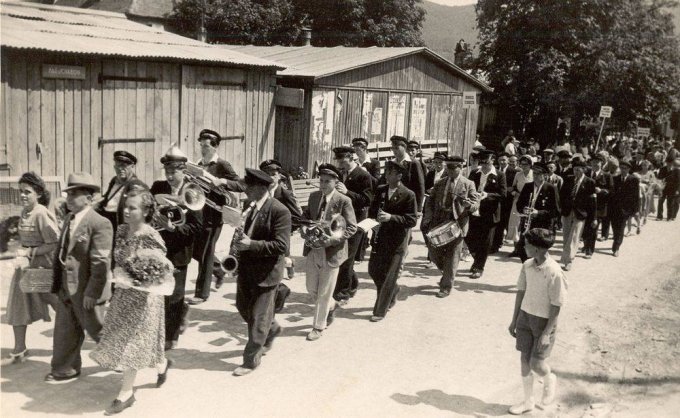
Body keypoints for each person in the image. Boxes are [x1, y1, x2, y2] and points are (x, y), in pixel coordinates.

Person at [90, 189, 175, 414]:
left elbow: (162, 268)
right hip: (123, 295)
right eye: (125, 206)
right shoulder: (121, 231)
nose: (126, 211)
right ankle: (162, 365)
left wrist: (141, 279)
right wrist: (117, 278)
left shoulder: (151, 235)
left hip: (144, 299)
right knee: (126, 339)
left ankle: (126, 394)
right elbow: (116, 260)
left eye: (132, 207)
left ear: (146, 211)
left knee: (132, 344)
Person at [47, 172, 113, 383]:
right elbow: (63, 250)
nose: (69, 199)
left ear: (89, 197)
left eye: (74, 195)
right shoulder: (69, 218)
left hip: (86, 289)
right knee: (65, 329)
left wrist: (93, 293)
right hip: (67, 286)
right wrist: (57, 283)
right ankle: (65, 369)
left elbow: (100, 261)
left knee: (97, 328)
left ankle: (120, 357)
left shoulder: (99, 223)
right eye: (68, 194)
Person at [231, 169, 292, 376]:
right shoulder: (250, 206)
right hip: (247, 269)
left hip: (267, 272)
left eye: (248, 187)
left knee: (257, 318)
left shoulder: (280, 211)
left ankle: (250, 361)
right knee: (243, 307)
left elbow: (281, 245)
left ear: (261, 188)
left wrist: (251, 245)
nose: (245, 190)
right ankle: (272, 328)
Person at [1, 172, 59, 366]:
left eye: (27, 192)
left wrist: (30, 252)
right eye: (21, 192)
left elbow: (54, 242)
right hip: (25, 267)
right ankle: (19, 350)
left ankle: (77, 342)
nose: (23, 195)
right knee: (17, 304)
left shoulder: (41, 213)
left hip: (42, 269)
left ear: (39, 194)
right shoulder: (25, 212)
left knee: (61, 306)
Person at [508, 228, 567, 415]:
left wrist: (547, 333)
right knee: (524, 359)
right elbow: (521, 292)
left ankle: (549, 379)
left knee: (536, 363)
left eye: (527, 244)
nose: (523, 246)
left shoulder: (554, 271)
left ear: (538, 249)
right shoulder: (526, 265)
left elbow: (557, 304)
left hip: (544, 322)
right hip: (525, 317)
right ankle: (528, 401)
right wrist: (514, 319)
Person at [150, 146, 203, 350]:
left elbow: (197, 227)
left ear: (183, 171)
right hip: (158, 249)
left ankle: (170, 337)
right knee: (158, 293)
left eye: (174, 172)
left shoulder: (192, 192)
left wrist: (172, 228)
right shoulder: (157, 187)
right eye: (167, 172)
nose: (170, 176)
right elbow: (147, 209)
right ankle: (178, 314)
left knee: (174, 295)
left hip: (180, 252)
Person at [302, 164, 357, 341]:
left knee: (324, 292)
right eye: (321, 181)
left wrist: (333, 240)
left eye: (327, 181)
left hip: (332, 252)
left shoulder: (343, 200)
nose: (323, 185)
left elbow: (352, 227)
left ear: (336, 182)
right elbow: (306, 216)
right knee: (311, 288)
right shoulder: (313, 196)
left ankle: (318, 327)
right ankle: (332, 306)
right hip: (313, 248)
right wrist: (303, 227)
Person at [189, 129, 243, 304]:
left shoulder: (222, 165)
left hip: (214, 215)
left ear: (215, 147)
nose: (202, 149)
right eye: (201, 146)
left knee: (205, 252)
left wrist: (223, 182)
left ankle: (201, 294)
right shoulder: (198, 164)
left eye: (206, 146)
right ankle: (218, 271)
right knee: (196, 251)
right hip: (198, 213)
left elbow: (241, 184)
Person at [422, 156, 480, 298]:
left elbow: (475, 203)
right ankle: (447, 273)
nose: (450, 170)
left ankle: (446, 286)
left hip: (457, 224)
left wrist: (469, 206)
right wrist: (428, 217)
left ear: (461, 168)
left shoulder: (468, 183)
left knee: (453, 256)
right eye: (448, 167)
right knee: (434, 251)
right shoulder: (440, 183)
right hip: (439, 221)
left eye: (454, 168)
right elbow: (430, 201)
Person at [367, 161, 417, 321]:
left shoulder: (409, 194)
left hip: (397, 242)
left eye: (390, 173)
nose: (386, 176)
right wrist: (373, 223)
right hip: (380, 238)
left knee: (389, 275)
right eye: (386, 172)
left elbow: (411, 220)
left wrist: (391, 218)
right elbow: (373, 211)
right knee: (374, 270)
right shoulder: (381, 190)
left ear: (399, 175)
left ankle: (380, 310)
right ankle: (393, 291)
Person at [332, 146, 373, 306]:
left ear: (351, 158)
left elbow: (367, 200)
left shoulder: (363, 175)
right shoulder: (340, 174)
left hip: (356, 222)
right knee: (341, 255)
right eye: (338, 161)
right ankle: (352, 283)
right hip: (340, 221)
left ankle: (343, 293)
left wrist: (347, 192)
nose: (340, 164)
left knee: (347, 257)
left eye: (342, 161)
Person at [466, 150, 507, 278]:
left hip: (490, 213)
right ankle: (477, 258)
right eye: (482, 162)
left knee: (485, 242)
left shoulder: (499, 175)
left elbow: (503, 194)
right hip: (474, 211)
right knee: (470, 238)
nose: (483, 165)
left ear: (492, 161)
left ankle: (479, 267)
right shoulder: (474, 173)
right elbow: (467, 188)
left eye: (486, 162)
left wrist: (487, 195)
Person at [260, 159, 303, 279]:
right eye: (267, 174)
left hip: (281, 234)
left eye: (274, 174)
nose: (271, 177)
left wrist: (285, 230)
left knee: (284, 258)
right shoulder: (260, 192)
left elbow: (297, 217)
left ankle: (290, 264)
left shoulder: (285, 194)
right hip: (264, 233)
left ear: (279, 176)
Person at [515, 163, 559, 261]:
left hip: (543, 226)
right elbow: (519, 205)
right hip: (528, 224)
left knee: (539, 253)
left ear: (545, 175)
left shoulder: (551, 188)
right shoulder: (527, 186)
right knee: (522, 249)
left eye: (538, 174)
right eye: (534, 173)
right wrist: (524, 209)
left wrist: (538, 213)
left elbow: (555, 211)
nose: (535, 176)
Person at [96, 151, 147, 233]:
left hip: (119, 224)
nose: (120, 169)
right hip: (106, 222)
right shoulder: (114, 180)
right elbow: (107, 198)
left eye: (124, 166)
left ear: (132, 166)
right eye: (117, 166)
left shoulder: (135, 185)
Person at [558, 160, 596, 270]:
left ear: (584, 169)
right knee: (566, 236)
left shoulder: (590, 182)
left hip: (580, 213)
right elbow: (562, 195)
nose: (576, 171)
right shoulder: (568, 179)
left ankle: (568, 260)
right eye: (574, 169)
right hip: (567, 212)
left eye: (578, 169)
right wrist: (561, 209)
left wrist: (594, 218)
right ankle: (567, 256)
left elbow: (592, 202)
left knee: (574, 236)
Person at [582, 155, 613, 258]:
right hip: (585, 205)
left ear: (602, 163)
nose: (595, 164)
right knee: (585, 228)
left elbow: (611, 191)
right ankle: (586, 245)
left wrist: (602, 191)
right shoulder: (586, 174)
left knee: (593, 228)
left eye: (598, 162)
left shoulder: (607, 176)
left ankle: (589, 250)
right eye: (593, 162)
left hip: (599, 207)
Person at [384, 136, 425, 213]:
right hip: (392, 202)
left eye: (396, 148)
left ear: (404, 147)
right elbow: (384, 182)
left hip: (407, 203)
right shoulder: (391, 163)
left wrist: (418, 209)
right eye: (393, 148)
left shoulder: (413, 163)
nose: (394, 151)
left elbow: (420, 187)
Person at [608, 161, 640, 256]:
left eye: (625, 168)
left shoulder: (633, 180)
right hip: (614, 208)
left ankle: (616, 247)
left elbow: (636, 196)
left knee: (621, 228)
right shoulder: (615, 178)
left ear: (629, 169)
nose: (623, 170)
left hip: (626, 209)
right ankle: (616, 240)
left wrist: (636, 210)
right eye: (621, 168)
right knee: (614, 227)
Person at [507, 156, 534, 254]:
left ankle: (528, 250)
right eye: (522, 164)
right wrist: (515, 193)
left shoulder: (533, 174)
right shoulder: (518, 174)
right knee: (515, 224)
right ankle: (516, 249)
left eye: (526, 164)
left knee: (528, 225)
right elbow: (513, 188)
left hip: (530, 202)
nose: (523, 166)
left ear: (530, 165)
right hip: (517, 201)